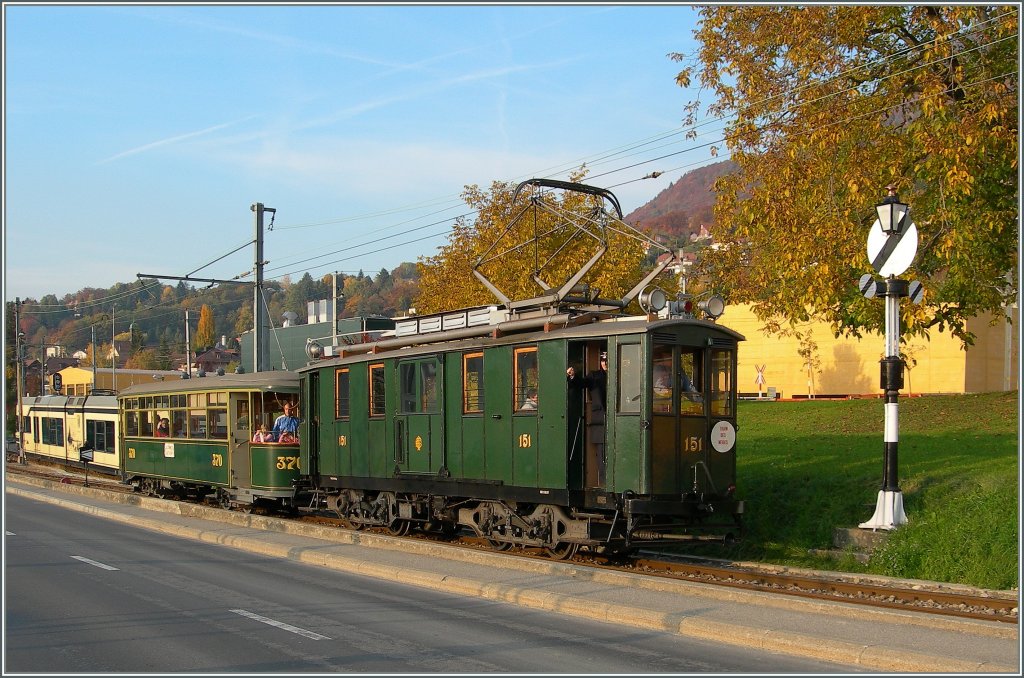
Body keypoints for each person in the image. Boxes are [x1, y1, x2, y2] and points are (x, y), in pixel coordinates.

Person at [567, 351, 608, 484]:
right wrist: (573, 376)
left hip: (618, 420)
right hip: (600, 421)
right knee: (602, 456)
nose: (605, 364)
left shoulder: (622, 374)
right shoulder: (594, 376)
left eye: (607, 361)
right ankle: (604, 483)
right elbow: (580, 384)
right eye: (603, 361)